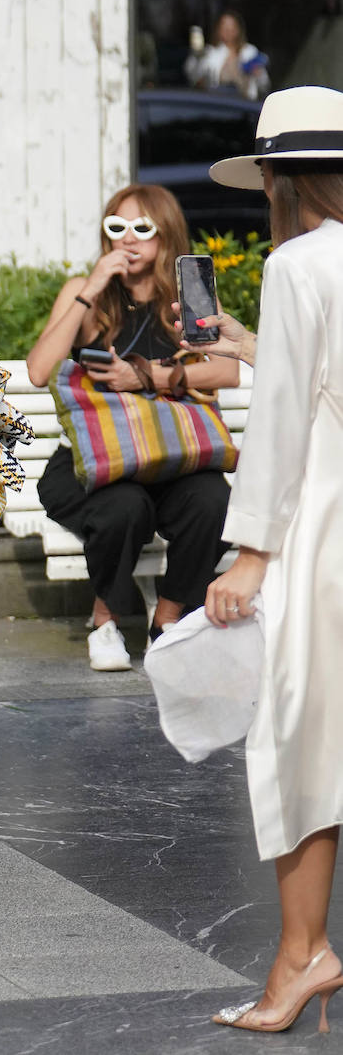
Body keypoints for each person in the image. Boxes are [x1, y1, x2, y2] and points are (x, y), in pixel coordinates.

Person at [199, 84, 343, 1033]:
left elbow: (289, 421)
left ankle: (301, 953)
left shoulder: (298, 264)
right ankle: (301, 958)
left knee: (302, 739)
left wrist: (249, 554)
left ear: (280, 182)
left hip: (322, 524)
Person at [27, 183, 239, 671]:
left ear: (166, 234)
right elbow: (40, 370)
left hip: (171, 454)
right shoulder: (86, 293)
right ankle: (105, 620)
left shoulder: (189, 296)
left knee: (214, 502)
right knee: (124, 507)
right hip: (93, 462)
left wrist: (144, 375)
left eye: (143, 229)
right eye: (117, 227)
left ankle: (167, 620)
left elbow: (226, 371)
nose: (129, 239)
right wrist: (93, 286)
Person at [184, 10, 270, 101]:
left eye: (232, 27)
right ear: (218, 30)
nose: (228, 30)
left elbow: (264, 84)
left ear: (238, 29)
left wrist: (258, 73)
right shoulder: (210, 53)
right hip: (219, 102)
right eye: (224, 27)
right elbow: (193, 75)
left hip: (245, 103)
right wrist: (195, 55)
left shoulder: (249, 51)